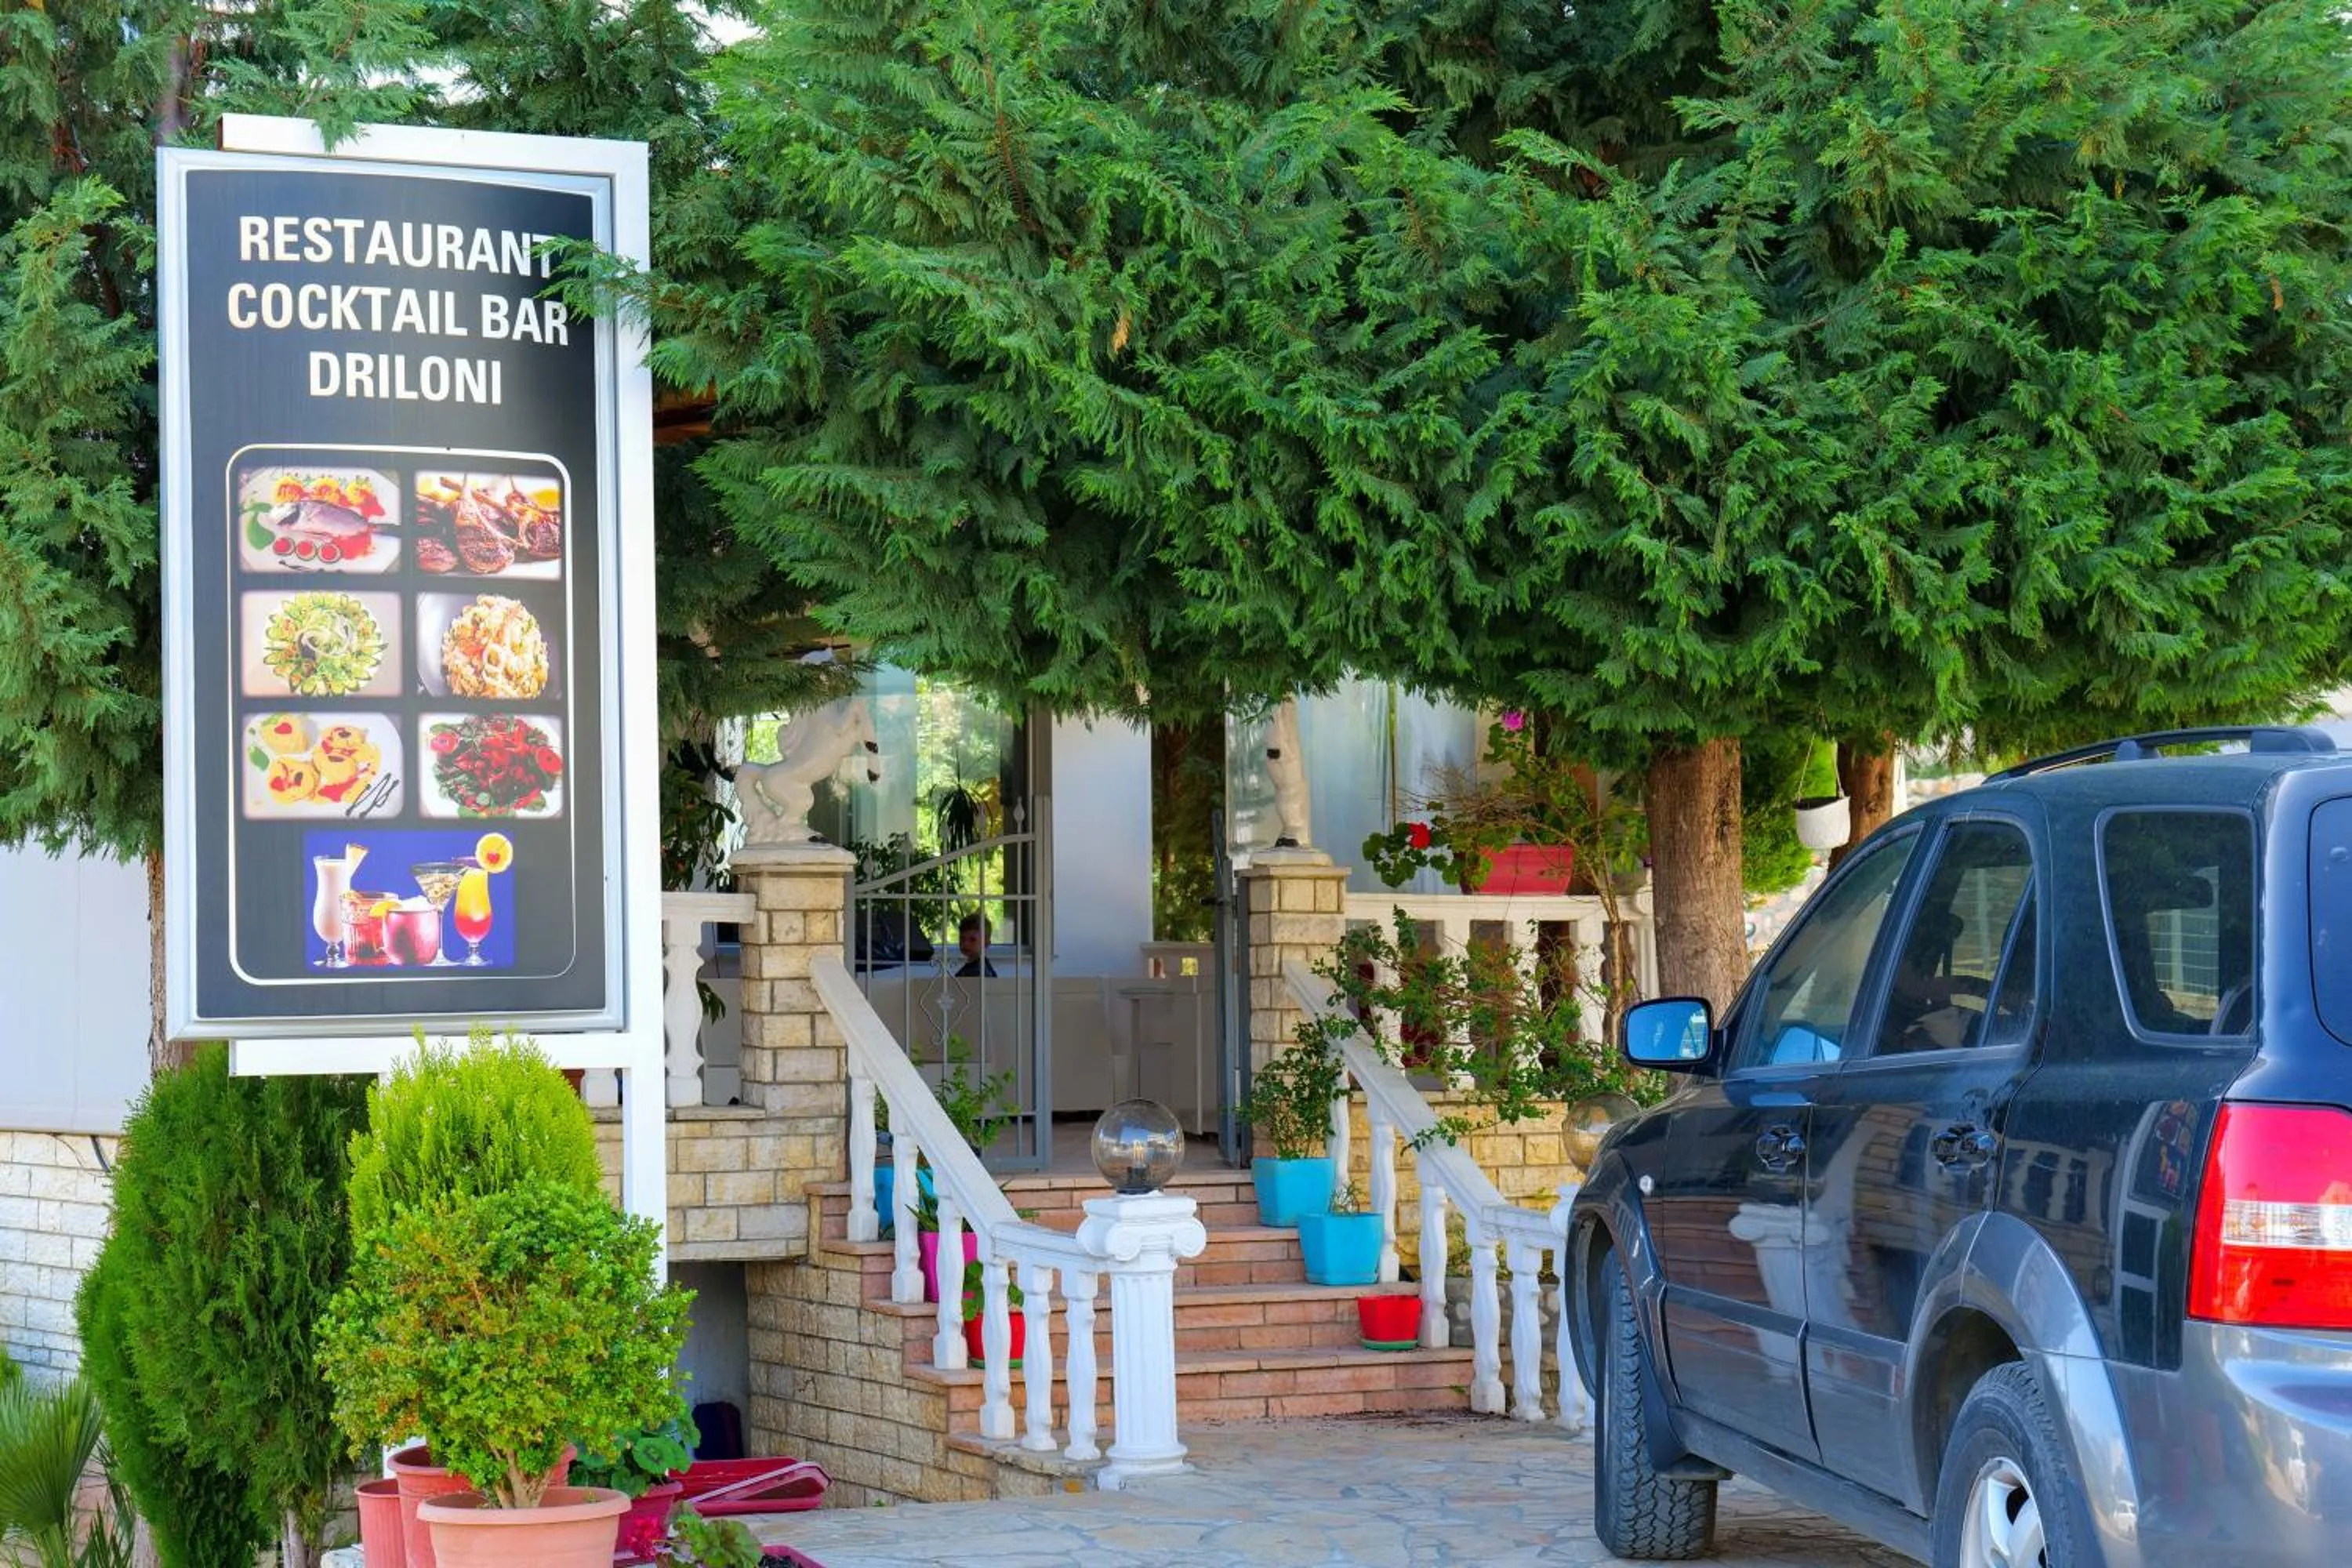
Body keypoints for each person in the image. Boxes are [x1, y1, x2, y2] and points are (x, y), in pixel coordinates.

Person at [956, 912, 997, 978]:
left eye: (973, 940)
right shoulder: (971, 967)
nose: (966, 943)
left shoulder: (980, 972)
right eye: (962, 938)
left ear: (986, 943)